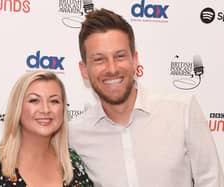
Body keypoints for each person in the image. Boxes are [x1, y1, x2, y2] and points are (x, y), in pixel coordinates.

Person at [68, 8, 224, 187]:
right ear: (84, 70)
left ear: (135, 61)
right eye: (99, 59)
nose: (111, 68)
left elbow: (212, 182)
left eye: (120, 56)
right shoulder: (75, 136)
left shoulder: (182, 110)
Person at [0, 70, 93, 187]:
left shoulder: (73, 163)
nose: (46, 109)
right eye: (34, 100)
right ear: (18, 108)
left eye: (54, 101)